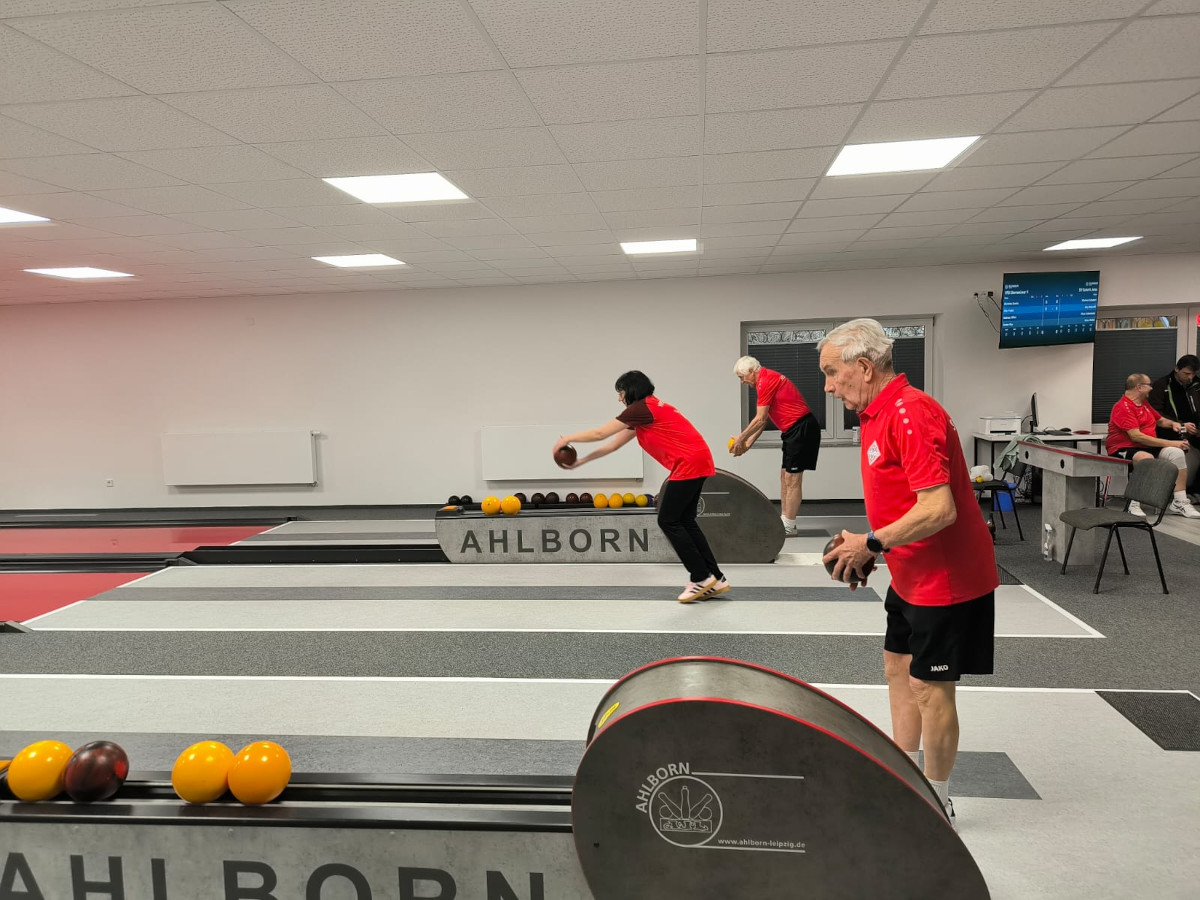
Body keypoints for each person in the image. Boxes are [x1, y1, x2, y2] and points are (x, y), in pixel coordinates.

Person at [818, 318, 996, 830]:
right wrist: (876, 551)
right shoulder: (876, 413)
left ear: (864, 366)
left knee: (930, 686)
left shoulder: (911, 412)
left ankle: (937, 799)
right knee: (897, 666)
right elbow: (900, 500)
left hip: (946, 577)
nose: (829, 386)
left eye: (833, 373)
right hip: (909, 569)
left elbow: (939, 510)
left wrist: (870, 542)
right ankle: (904, 774)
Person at [553, 371, 730, 603]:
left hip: (687, 464)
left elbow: (600, 433)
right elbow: (613, 445)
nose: (619, 398)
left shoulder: (640, 408)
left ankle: (701, 578)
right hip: (698, 460)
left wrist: (567, 438)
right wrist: (582, 461)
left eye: (621, 392)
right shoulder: (647, 411)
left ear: (631, 390)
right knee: (685, 521)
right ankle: (716, 577)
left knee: (668, 520)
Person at [730, 356, 821, 536]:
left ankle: (789, 525)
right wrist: (748, 443)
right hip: (792, 431)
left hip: (802, 428)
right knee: (784, 477)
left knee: (792, 479)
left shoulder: (766, 380)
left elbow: (760, 418)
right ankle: (784, 521)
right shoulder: (763, 381)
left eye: (741, 377)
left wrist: (741, 438)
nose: (741, 382)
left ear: (751, 371)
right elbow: (764, 421)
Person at [1106, 373, 1199, 518]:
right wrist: (1172, 442)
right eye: (1149, 385)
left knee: (1177, 453)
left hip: (1146, 447)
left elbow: (1160, 420)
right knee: (1145, 457)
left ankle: (1179, 502)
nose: (1151, 388)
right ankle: (1133, 502)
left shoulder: (1144, 404)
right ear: (1139, 387)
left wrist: (1176, 424)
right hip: (1123, 448)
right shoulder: (1123, 407)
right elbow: (1137, 437)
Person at [1148, 355, 1200, 499]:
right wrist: (1182, 426)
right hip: (1170, 432)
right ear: (1177, 369)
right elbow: (1155, 414)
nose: (1190, 378)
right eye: (1186, 374)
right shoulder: (1162, 385)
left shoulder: (1197, 385)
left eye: (1193, 374)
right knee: (1177, 453)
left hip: (1195, 431)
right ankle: (1181, 494)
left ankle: (1196, 490)